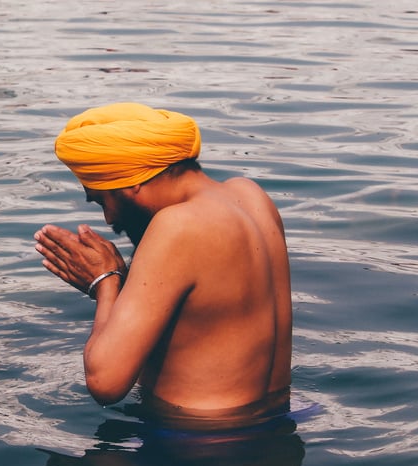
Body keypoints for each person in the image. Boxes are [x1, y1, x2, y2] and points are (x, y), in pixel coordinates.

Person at [34, 102, 292, 419]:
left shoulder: (179, 225)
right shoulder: (249, 195)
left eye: (103, 198)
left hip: (198, 446)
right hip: (274, 424)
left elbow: (105, 384)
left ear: (133, 181)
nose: (109, 217)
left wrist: (105, 282)